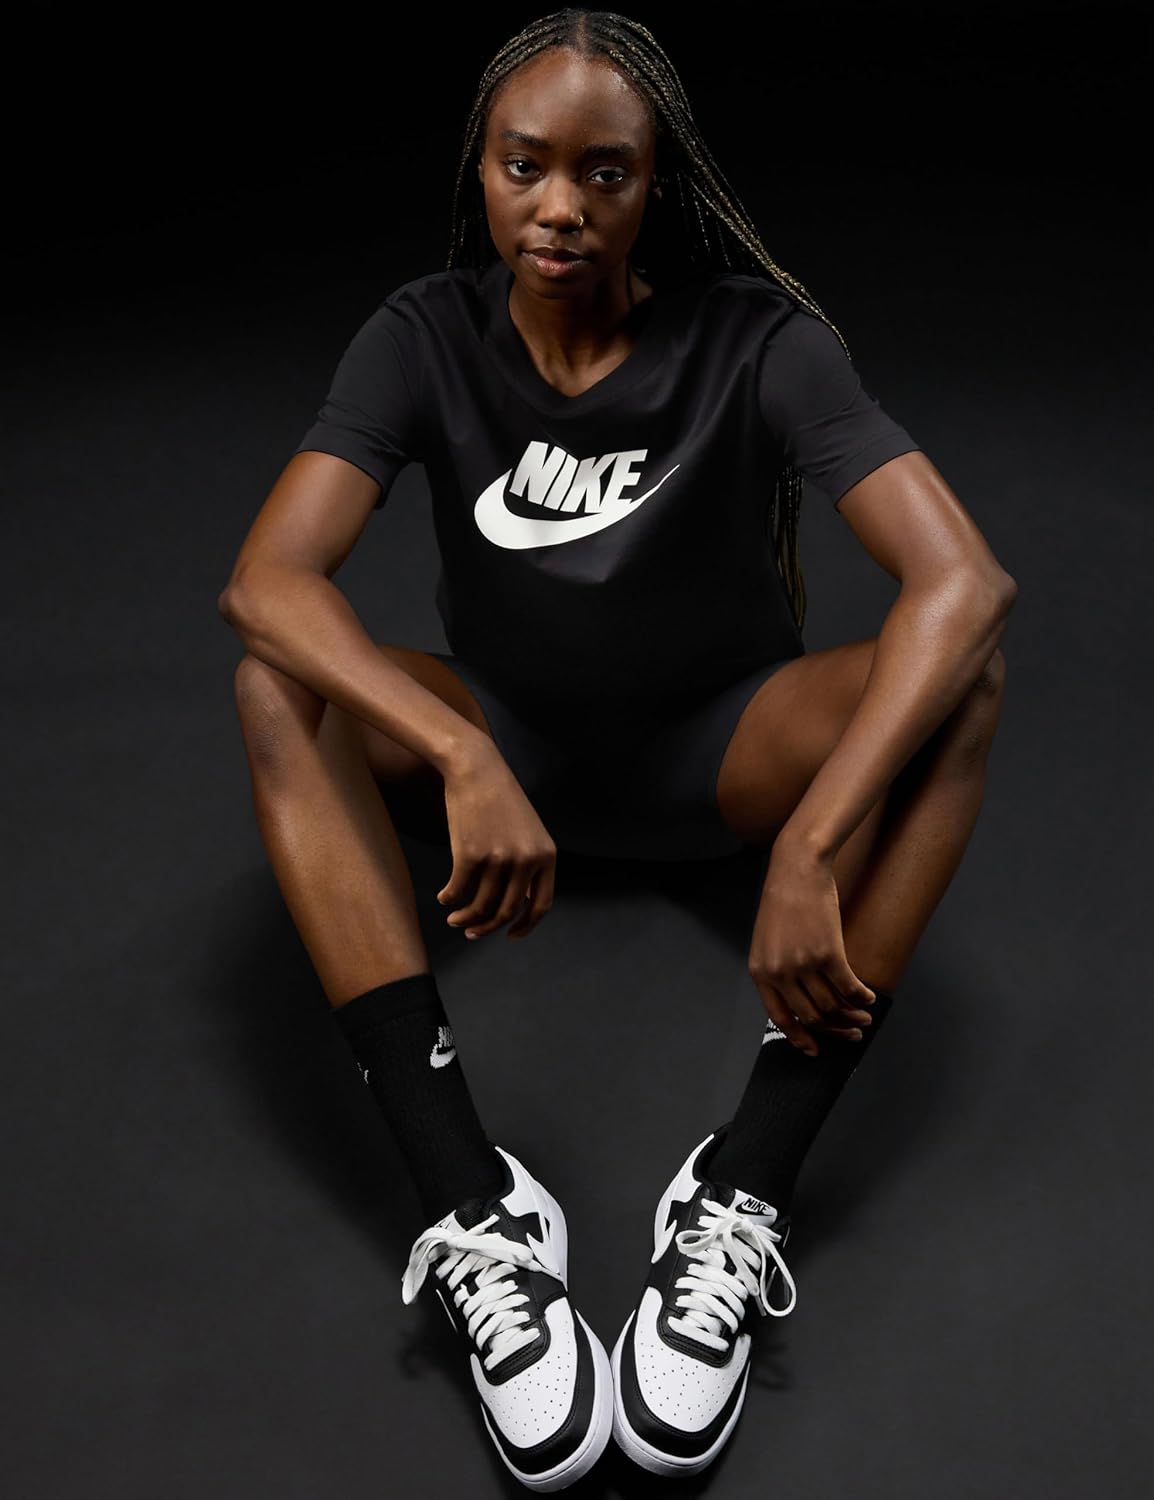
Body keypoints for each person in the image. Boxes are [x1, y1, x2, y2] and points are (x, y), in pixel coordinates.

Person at [217, 7, 1016, 1490]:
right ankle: (475, 1210)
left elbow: (963, 583)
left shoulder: (756, 343)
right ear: (480, 169)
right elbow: (265, 582)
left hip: (720, 760)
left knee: (965, 685)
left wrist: (811, 843)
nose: (561, 207)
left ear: (660, 186)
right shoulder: (422, 335)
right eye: (524, 166)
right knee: (278, 685)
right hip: (504, 752)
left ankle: (742, 1187)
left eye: (604, 173)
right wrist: (460, 759)